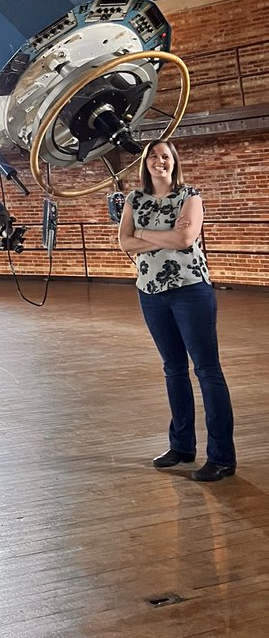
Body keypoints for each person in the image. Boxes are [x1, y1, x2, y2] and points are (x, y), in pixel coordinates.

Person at [118, 139, 236, 482]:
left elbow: (185, 240)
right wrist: (163, 234)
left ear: (174, 161)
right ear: (145, 163)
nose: (160, 161)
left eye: (166, 156)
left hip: (190, 290)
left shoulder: (190, 196)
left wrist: (142, 232)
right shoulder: (134, 199)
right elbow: (124, 241)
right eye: (153, 156)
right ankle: (182, 446)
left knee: (207, 371)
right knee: (173, 369)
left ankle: (222, 457)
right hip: (150, 293)